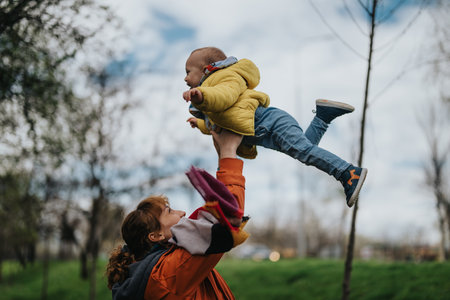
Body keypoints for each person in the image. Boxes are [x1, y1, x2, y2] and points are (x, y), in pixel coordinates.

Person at [183, 46, 367, 207]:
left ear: (206, 70)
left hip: (271, 122)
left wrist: (201, 95)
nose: (185, 78)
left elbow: (224, 95)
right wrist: (199, 123)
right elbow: (217, 127)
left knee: (303, 151)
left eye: (188, 71)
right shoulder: (211, 106)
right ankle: (323, 117)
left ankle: (347, 172)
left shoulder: (225, 78)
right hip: (268, 132)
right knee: (305, 151)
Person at [106, 129, 248, 300]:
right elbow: (227, 217)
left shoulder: (156, 266)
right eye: (170, 211)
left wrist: (222, 153)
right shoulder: (165, 276)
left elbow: (215, 215)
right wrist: (228, 151)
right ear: (156, 235)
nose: (182, 213)